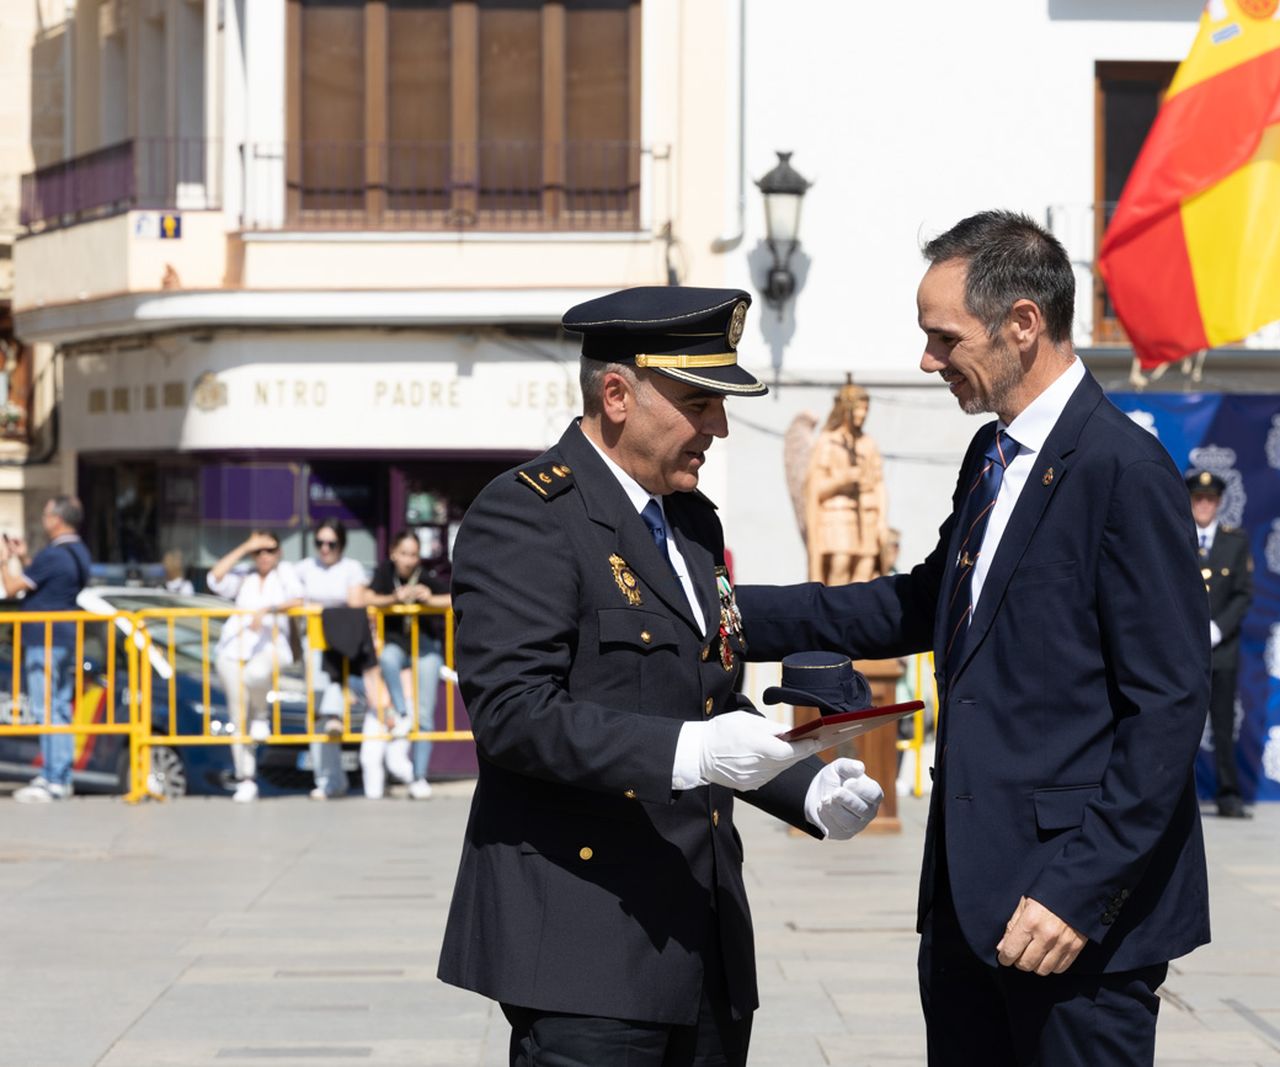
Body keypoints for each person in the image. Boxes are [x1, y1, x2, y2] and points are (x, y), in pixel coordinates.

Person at [739, 211, 1212, 1067]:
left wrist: (1078, 893)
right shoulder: (991, 460)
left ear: (1022, 323)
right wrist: (727, 614)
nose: (928, 360)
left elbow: (1169, 708)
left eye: (944, 337)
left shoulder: (1124, 472)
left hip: (1071, 926)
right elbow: (922, 604)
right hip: (969, 910)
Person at [437, 285, 886, 1067]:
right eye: (697, 402)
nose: (718, 425)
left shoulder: (690, 522)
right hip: (586, 949)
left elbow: (707, 695)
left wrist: (805, 785)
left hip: (702, 941)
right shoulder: (528, 514)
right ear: (617, 395)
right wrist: (695, 752)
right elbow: (515, 714)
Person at [294, 519, 396, 800]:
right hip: (315, 644)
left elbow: (355, 602)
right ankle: (329, 779)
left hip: (344, 646)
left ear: (341, 544)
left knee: (336, 707)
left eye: (331, 543)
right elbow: (293, 597)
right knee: (319, 714)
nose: (325, 549)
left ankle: (343, 772)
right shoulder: (305, 567)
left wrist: (317, 608)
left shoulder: (351, 568)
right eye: (320, 543)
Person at [4, 496, 92, 804]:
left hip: (44, 638)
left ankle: (53, 777)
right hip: (64, 637)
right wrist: (24, 558)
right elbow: (45, 582)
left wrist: (3, 562)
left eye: (45, 515)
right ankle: (60, 776)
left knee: (47, 709)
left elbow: (12, 588)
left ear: (57, 519)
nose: (43, 520)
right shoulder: (78, 551)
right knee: (59, 707)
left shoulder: (53, 554)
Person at [207, 530, 303, 803]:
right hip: (233, 650)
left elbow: (299, 599)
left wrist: (268, 609)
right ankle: (246, 778)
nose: (264, 556)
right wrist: (245, 546)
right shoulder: (244, 575)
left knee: (256, 675)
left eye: (269, 550)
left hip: (272, 647)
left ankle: (262, 714)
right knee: (238, 717)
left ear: (279, 552)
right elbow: (214, 578)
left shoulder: (284, 574)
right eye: (258, 551)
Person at [361, 528, 450, 800]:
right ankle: (401, 712)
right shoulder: (384, 573)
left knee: (425, 715)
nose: (409, 560)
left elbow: (451, 598)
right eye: (404, 554)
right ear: (393, 553)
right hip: (398, 644)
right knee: (387, 657)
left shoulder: (425, 576)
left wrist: (428, 598)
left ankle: (419, 776)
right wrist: (393, 599)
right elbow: (366, 598)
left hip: (426, 647)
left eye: (413, 554)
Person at [1189, 470, 1254, 819]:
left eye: (1210, 499)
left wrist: (1217, 628)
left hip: (1222, 649)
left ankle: (1228, 795)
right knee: (1180, 725)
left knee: (1224, 725)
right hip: (1184, 650)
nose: (1203, 505)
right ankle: (1179, 798)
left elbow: (1243, 594)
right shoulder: (1178, 535)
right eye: (1198, 498)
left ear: (1218, 503)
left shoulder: (1234, 542)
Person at [803, 376, 890, 584]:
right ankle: (834, 605)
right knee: (840, 564)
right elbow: (815, 489)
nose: (862, 414)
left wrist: (882, 520)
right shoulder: (828, 442)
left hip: (866, 514)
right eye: (858, 409)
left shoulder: (868, 443)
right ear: (845, 409)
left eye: (865, 409)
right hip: (837, 514)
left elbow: (878, 484)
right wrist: (841, 480)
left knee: (866, 566)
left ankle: (859, 606)